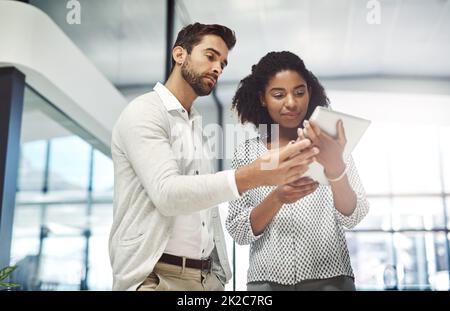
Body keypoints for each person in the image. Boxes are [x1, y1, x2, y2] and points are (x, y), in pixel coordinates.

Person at [109, 25, 317, 291]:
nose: (218, 67)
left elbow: (203, 205)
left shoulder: (194, 125)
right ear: (179, 54)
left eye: (223, 63)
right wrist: (252, 176)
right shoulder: (144, 112)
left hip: (205, 279)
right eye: (210, 56)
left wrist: (217, 276)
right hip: (156, 277)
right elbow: (167, 194)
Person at [226, 51, 370, 291]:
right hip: (265, 283)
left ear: (309, 93)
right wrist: (277, 197)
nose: (291, 103)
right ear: (262, 98)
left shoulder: (331, 144)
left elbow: (354, 215)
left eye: (299, 92)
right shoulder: (247, 153)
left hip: (331, 280)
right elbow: (239, 230)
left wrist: (335, 168)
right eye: (279, 94)